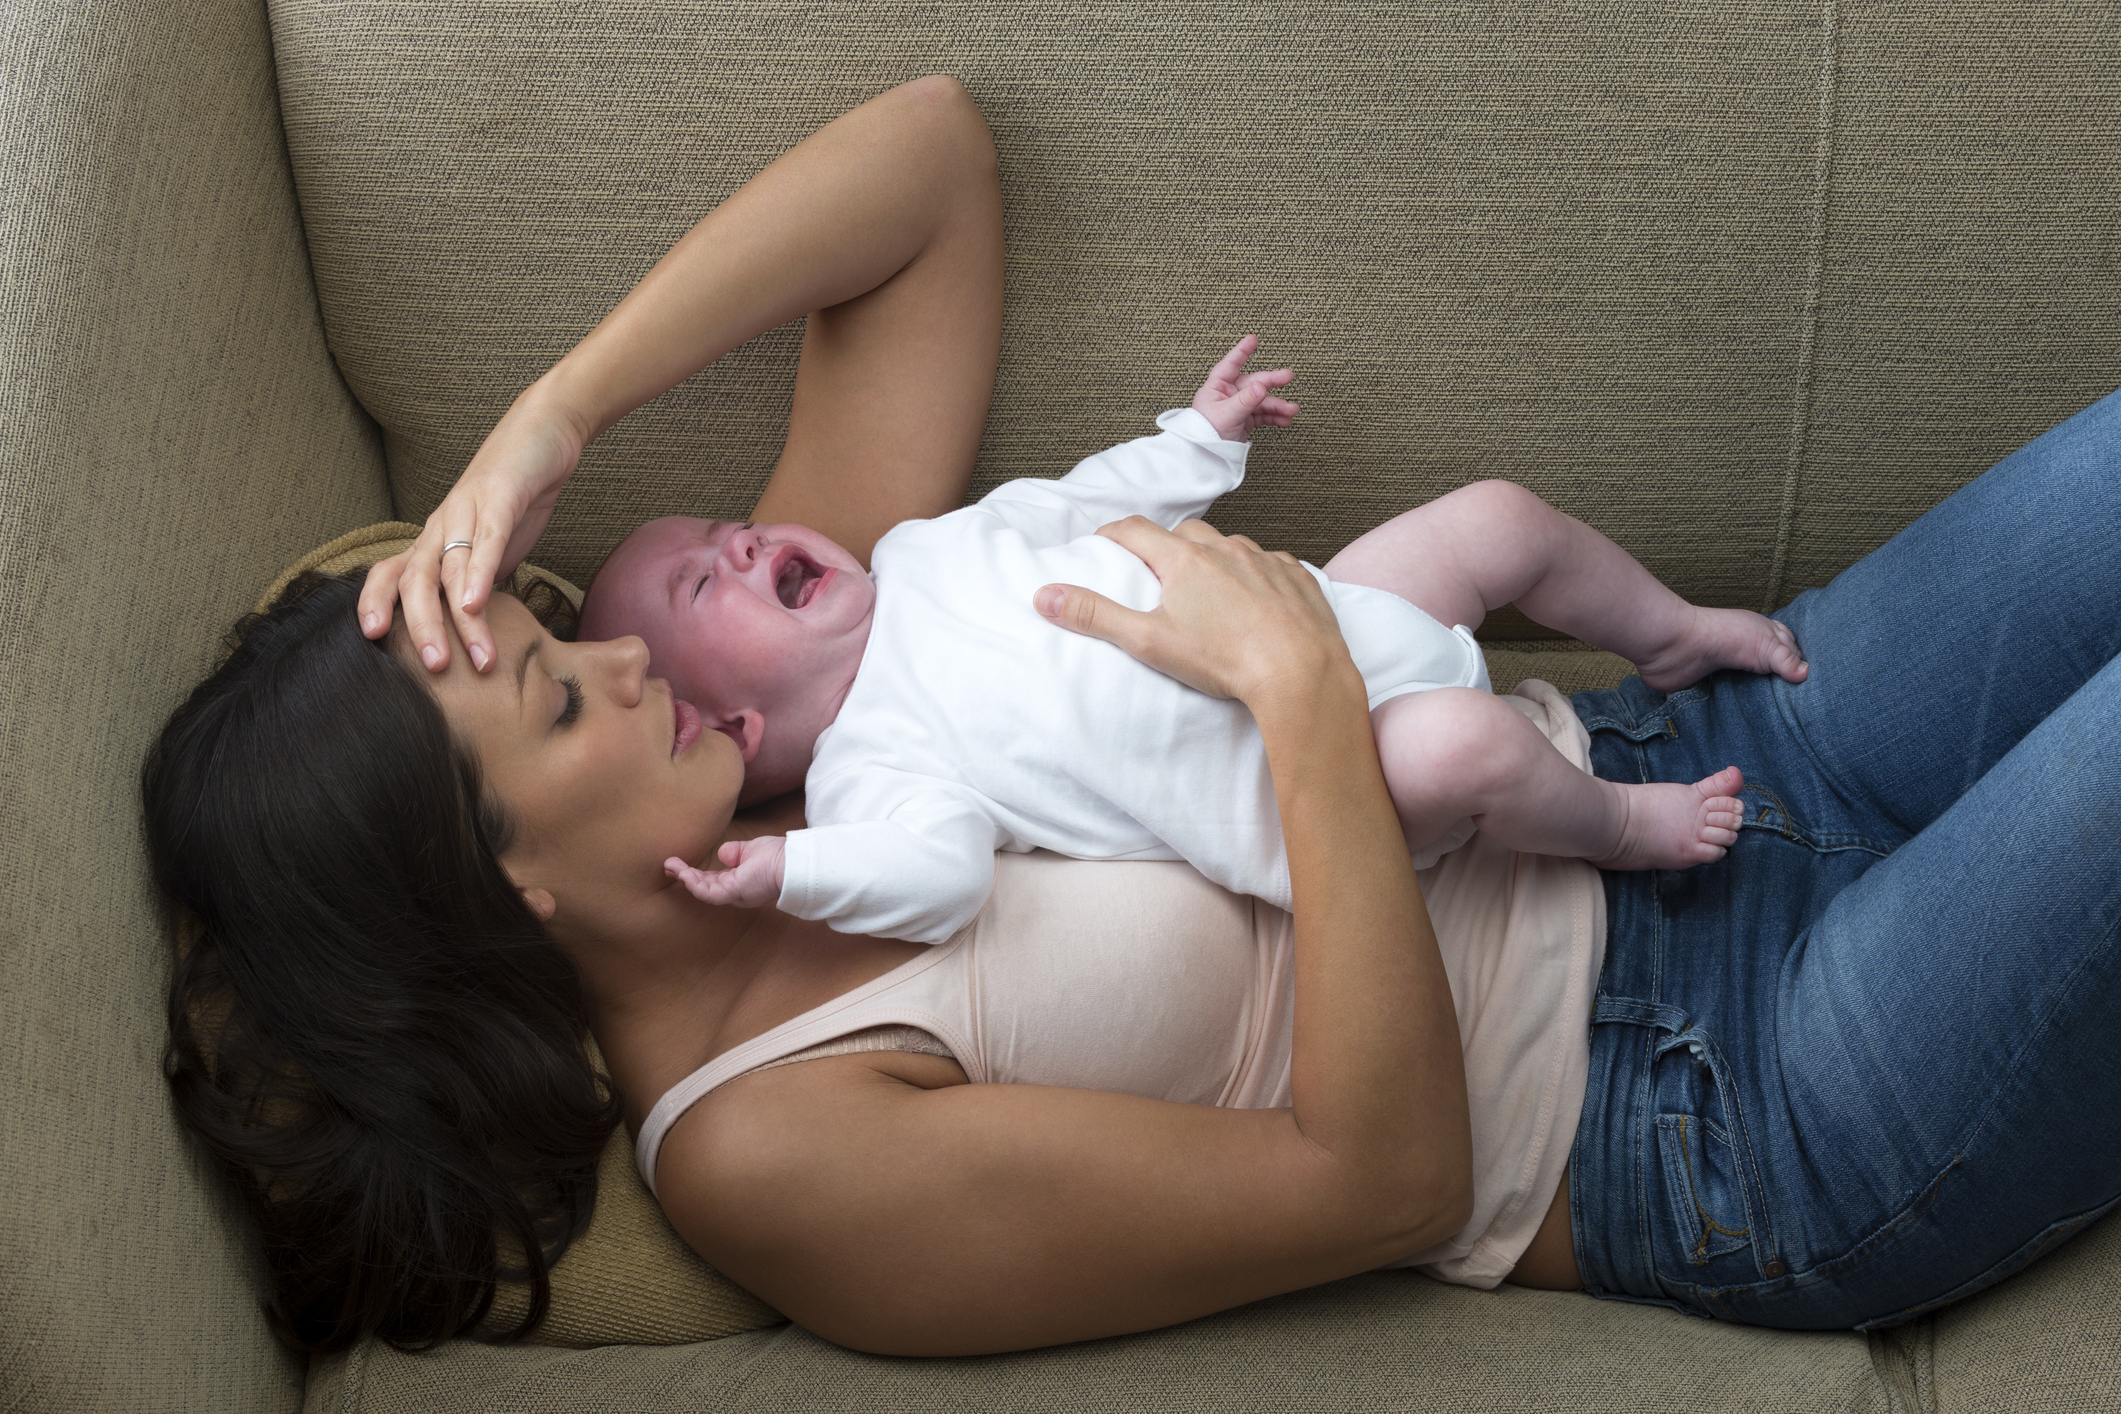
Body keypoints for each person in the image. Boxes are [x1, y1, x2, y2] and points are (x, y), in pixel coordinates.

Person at [143, 76, 2121, 1358]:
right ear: (505, 891)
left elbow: (925, 160)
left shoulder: (783, 713)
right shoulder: (766, 1145)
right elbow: (1384, 1178)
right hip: (1725, 1098)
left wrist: (549, 415)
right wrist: (1291, 702)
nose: (633, 654)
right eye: (559, 700)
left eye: (567, 631)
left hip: (1716, 743)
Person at [576, 336, 1805, 945]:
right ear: (734, 731)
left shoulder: (917, 552)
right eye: (702, 582)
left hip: (1333, 608)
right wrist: (792, 872)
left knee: (1497, 519)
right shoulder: (871, 767)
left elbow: (1076, 500)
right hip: (1334, 785)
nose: (741, 544)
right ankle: (1622, 828)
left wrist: (1197, 440)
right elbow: (941, 884)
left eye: (731, 526)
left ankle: (1674, 633)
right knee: (1468, 746)